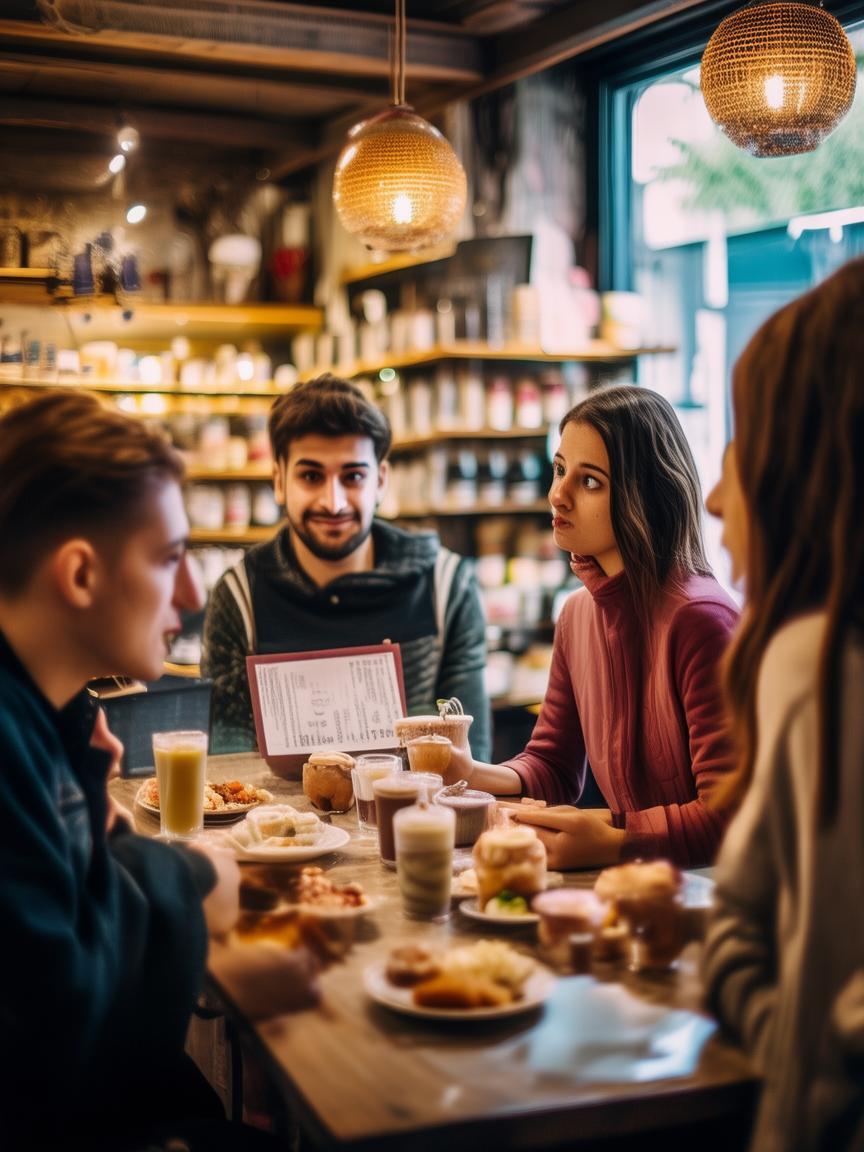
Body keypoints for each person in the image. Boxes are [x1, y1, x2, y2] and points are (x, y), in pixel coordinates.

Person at [0, 391, 311, 1152]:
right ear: (79, 575)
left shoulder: (41, 714)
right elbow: (49, 1021)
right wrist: (193, 887)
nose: (193, 594)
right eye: (170, 558)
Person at [701, 258, 864, 1151]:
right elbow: (747, 937)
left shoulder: (818, 665)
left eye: (748, 445)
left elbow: (817, 1086)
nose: (720, 496)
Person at [443, 384, 739, 869]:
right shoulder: (578, 614)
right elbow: (554, 766)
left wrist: (617, 838)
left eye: (590, 481)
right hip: (634, 888)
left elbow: (730, 817)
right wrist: (471, 772)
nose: (557, 494)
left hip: (714, 903)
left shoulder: (701, 621)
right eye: (560, 470)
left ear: (644, 493)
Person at [202, 374, 491, 758]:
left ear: (381, 481)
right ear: (279, 481)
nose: (333, 502)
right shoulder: (239, 597)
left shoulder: (446, 586)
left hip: (415, 818)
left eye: (353, 476)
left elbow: (471, 764)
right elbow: (228, 771)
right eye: (311, 476)